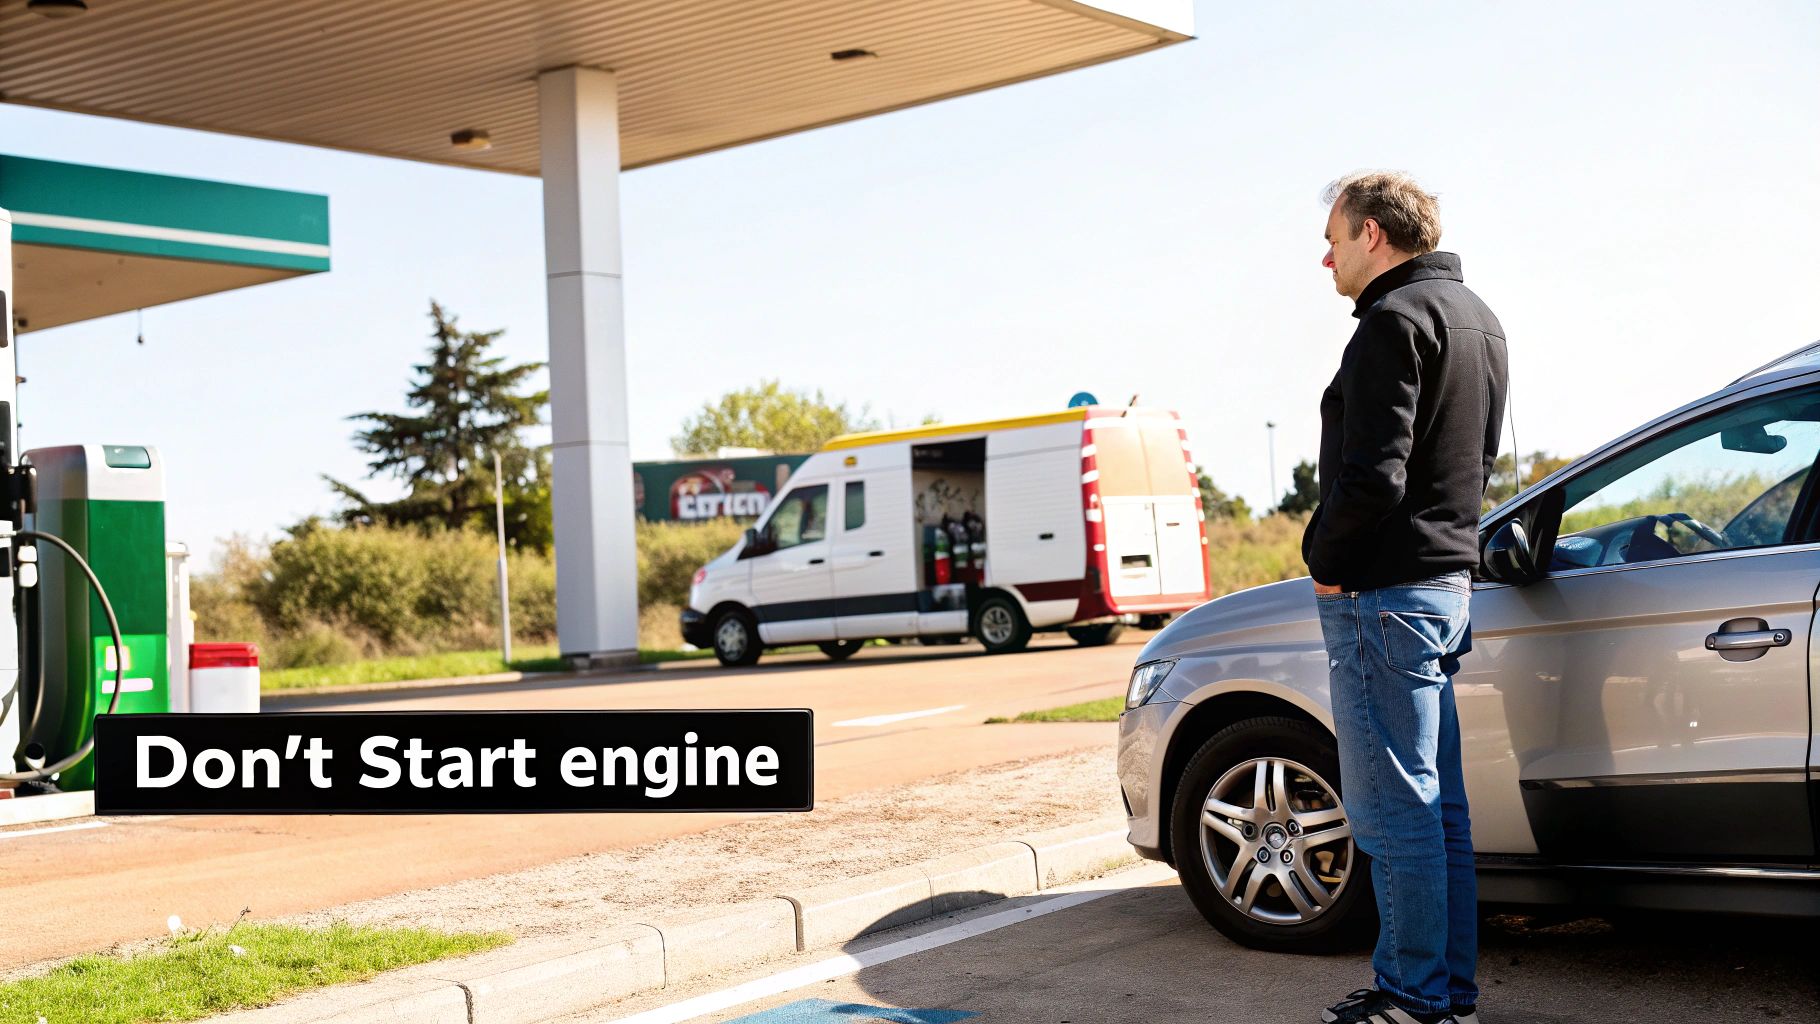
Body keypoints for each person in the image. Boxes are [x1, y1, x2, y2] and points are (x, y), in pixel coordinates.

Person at [1303, 171, 1508, 1024]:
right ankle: (1444, 990)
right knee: (1438, 805)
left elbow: (1373, 477)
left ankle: (1413, 997)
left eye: (1336, 238)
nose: (1326, 258)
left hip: (1385, 595)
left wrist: (1320, 553)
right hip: (1444, 587)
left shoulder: (1391, 323)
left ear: (1375, 236)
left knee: (1395, 809)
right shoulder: (1479, 320)